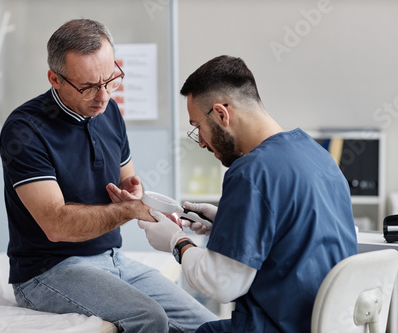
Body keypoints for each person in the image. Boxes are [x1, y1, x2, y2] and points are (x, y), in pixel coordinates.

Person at [0, 18, 217, 333]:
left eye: (111, 79)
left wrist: (134, 192)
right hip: (47, 271)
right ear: (55, 79)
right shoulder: (25, 130)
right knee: (150, 317)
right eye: (87, 87)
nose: (102, 96)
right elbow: (57, 225)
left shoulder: (109, 111)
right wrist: (129, 209)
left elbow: (128, 183)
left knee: (210, 325)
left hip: (113, 258)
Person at [137, 55, 358, 332]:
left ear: (221, 113)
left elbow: (222, 284)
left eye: (197, 127)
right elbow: (298, 235)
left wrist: (176, 242)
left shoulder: (250, 173)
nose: (201, 142)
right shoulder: (317, 155)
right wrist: (225, 222)